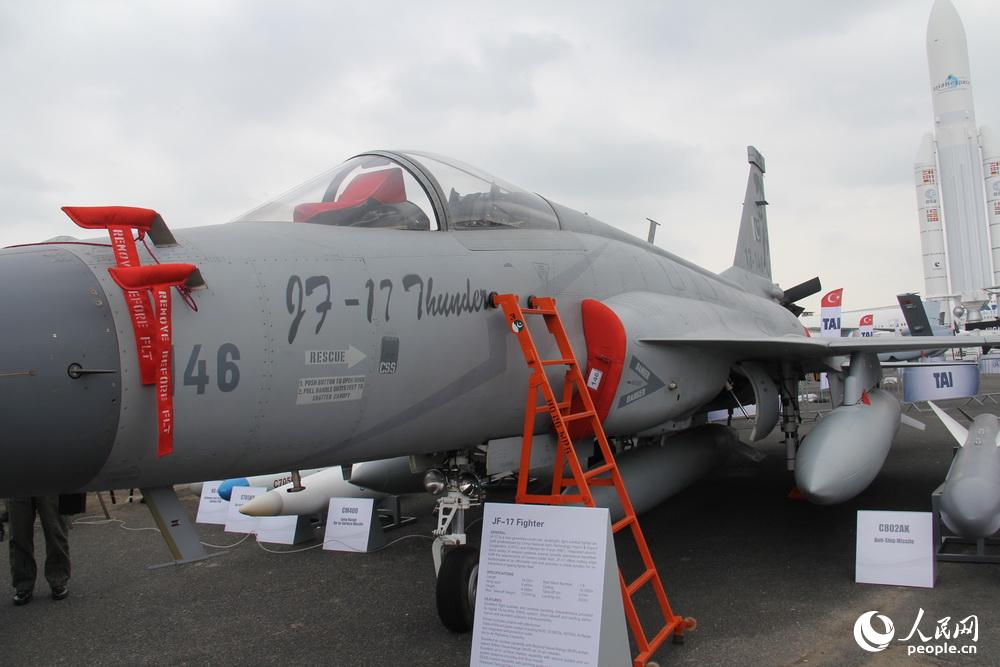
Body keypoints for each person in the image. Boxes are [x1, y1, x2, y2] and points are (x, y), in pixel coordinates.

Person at [6, 496, 70, 605]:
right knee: (18, 534)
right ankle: (23, 584)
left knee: (55, 531)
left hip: (48, 481)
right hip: (17, 483)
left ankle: (58, 580)